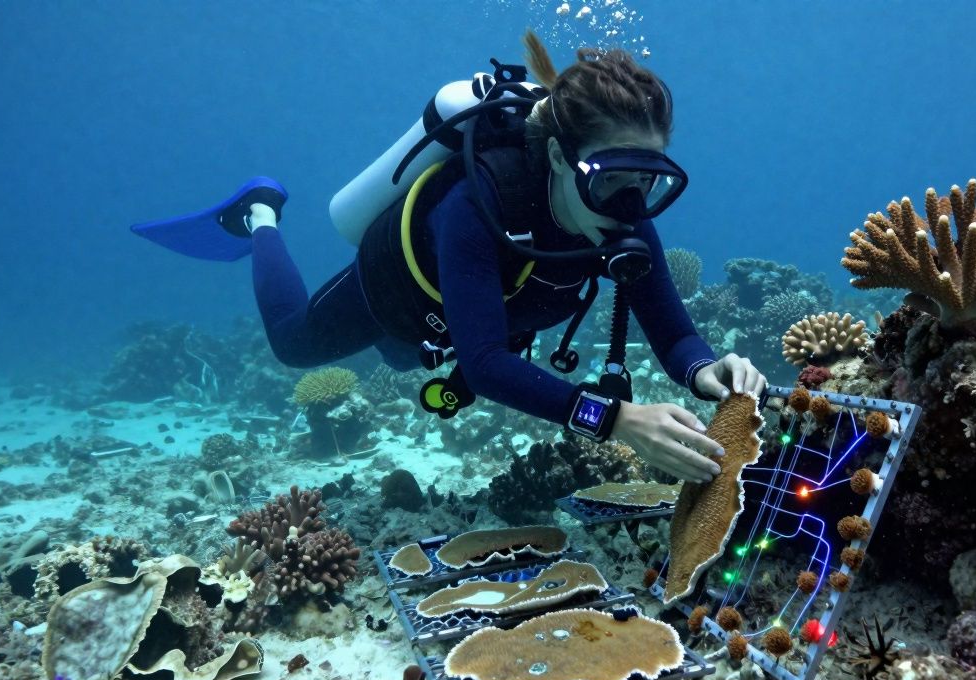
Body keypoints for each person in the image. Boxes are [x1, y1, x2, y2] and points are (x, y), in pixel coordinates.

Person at [140, 32, 768, 485]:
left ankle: (397, 345)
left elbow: (673, 327)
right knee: (294, 345)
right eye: (612, 179)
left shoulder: (621, 215)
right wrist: (618, 419)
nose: (632, 203)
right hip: (396, 292)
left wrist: (703, 369)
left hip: (460, 322)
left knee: (406, 360)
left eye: (649, 179)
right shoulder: (481, 204)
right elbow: (488, 363)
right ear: (555, 158)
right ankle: (260, 216)